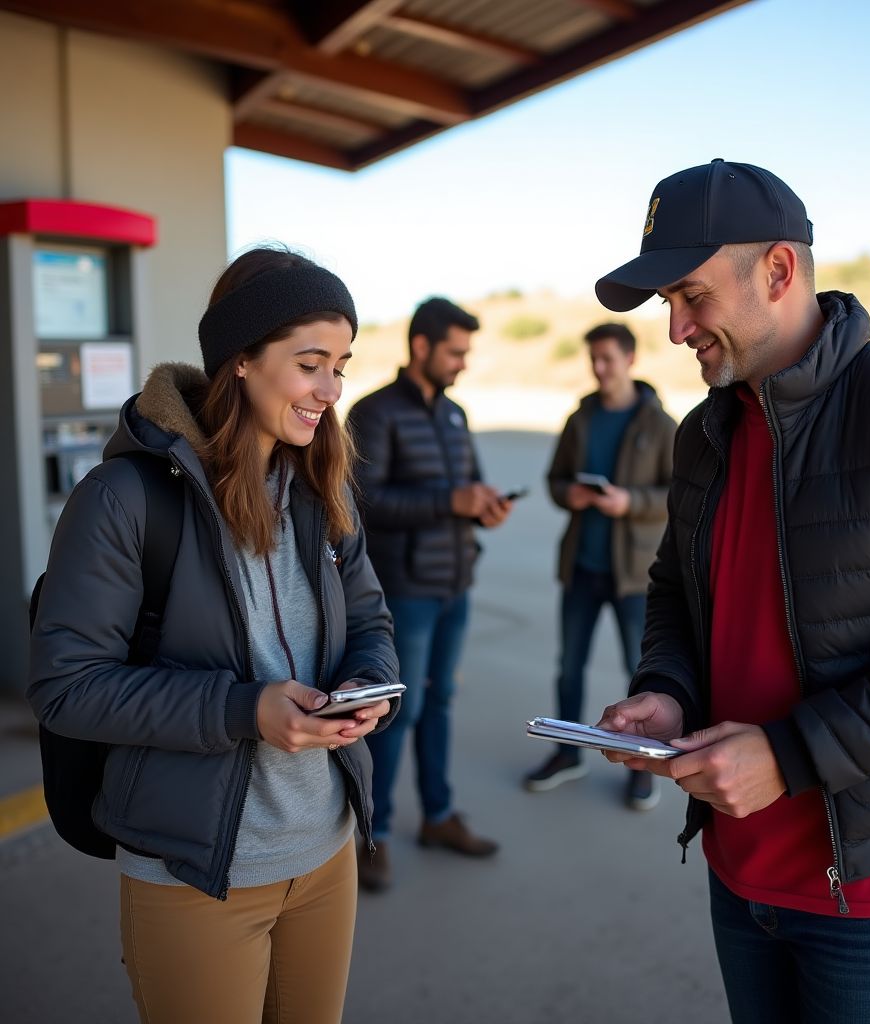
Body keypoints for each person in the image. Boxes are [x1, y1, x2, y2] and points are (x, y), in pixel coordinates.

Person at [592, 159, 870, 1023]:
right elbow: (676, 588)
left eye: (691, 296)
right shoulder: (703, 434)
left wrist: (791, 755)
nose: (675, 330)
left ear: (779, 271)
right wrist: (667, 692)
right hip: (736, 869)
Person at [28, 246, 400, 1024]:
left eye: (342, 364)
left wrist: (370, 683)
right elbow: (66, 686)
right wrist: (244, 710)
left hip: (325, 855)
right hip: (195, 873)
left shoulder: (321, 485)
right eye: (310, 364)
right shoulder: (123, 499)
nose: (332, 390)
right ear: (240, 361)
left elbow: (370, 619)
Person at [346, 296, 511, 891]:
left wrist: (483, 508)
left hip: (454, 585)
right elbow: (364, 505)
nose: (463, 363)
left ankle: (438, 817)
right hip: (404, 592)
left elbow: (466, 488)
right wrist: (451, 502)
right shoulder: (373, 414)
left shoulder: (455, 415)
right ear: (421, 346)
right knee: (396, 713)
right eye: (455, 351)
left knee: (439, 705)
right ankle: (376, 833)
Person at [522, 322, 676, 809]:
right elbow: (555, 480)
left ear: (630, 359)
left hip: (634, 575)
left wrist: (628, 501)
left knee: (639, 674)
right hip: (582, 568)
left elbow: (677, 495)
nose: (599, 368)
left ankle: (641, 764)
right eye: (594, 359)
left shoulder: (660, 424)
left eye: (608, 358)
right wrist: (571, 493)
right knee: (569, 667)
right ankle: (568, 754)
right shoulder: (580, 418)